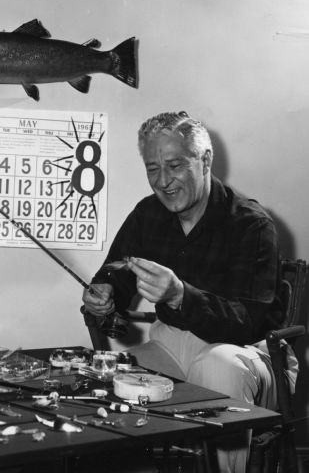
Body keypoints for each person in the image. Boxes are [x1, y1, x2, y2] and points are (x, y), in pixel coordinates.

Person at [82, 111, 294, 473]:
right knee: (110, 380)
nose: (163, 181)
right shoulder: (148, 214)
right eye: (153, 168)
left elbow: (248, 323)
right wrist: (102, 296)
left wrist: (180, 295)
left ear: (205, 160)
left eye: (175, 165)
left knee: (217, 367)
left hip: (246, 353)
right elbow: (115, 273)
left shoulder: (252, 224)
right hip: (170, 343)